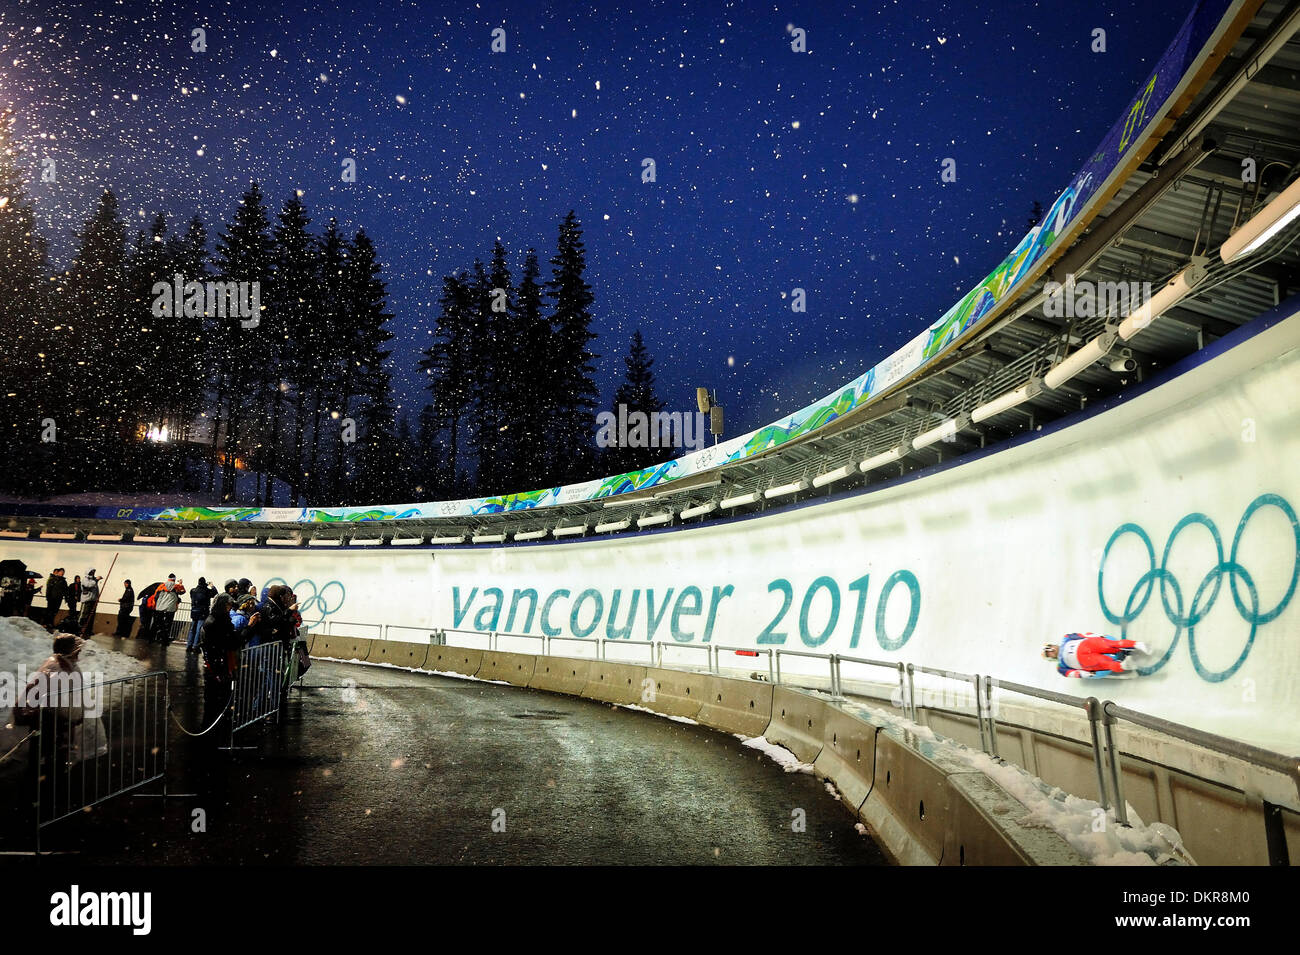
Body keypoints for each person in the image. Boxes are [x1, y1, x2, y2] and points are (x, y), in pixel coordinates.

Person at [1043, 633, 1150, 678]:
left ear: (1053, 644)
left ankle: (1138, 644)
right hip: (1083, 660)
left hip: (1087, 645)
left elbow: (1083, 635)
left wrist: (1098, 636)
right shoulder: (1060, 667)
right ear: (1051, 658)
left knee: (1111, 644)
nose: (1052, 650)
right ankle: (1123, 665)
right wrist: (1088, 674)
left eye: (1050, 647)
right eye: (1050, 652)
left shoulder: (1066, 638)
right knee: (1105, 663)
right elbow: (1074, 674)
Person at [150, 574, 186, 644]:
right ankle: (164, 640)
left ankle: (151, 639)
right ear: (174, 579)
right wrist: (180, 584)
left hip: (160, 608)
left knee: (156, 623)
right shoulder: (176, 586)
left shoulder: (161, 586)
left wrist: (155, 606)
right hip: (170, 608)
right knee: (167, 625)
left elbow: (155, 596)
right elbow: (183, 591)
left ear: (168, 578)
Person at [186, 577, 216, 653]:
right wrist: (212, 586)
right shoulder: (206, 591)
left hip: (194, 611)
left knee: (192, 629)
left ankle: (189, 645)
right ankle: (195, 646)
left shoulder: (193, 590)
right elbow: (215, 593)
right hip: (202, 612)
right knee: (198, 630)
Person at [78, 568, 101, 632]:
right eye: (92, 572)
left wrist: (97, 598)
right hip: (86, 600)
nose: (93, 573)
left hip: (93, 601)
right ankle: (79, 628)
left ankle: (87, 630)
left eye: (94, 572)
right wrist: (96, 580)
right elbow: (88, 585)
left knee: (91, 616)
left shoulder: (93, 580)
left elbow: (96, 590)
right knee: (83, 614)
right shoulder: (85, 579)